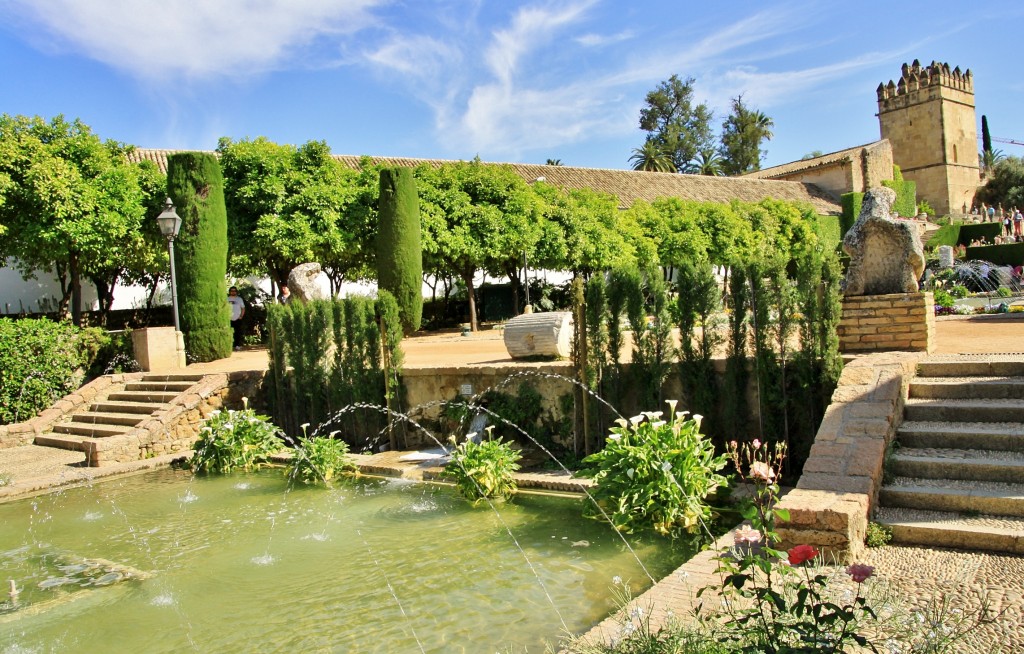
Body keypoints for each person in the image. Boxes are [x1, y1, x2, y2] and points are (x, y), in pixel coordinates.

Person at [227, 286, 245, 350]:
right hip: (229, 319)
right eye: (232, 291)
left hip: (237, 318)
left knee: (238, 332)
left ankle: (237, 345)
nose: (233, 292)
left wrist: (241, 316)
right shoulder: (227, 299)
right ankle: (230, 345)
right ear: (229, 292)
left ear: (236, 292)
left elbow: (243, 308)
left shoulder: (239, 299)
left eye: (234, 291)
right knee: (229, 332)